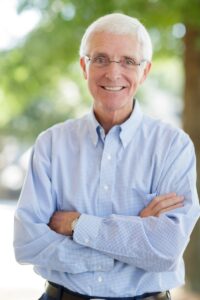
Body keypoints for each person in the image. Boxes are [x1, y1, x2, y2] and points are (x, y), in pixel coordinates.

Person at [14, 13, 200, 300]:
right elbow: (28, 243)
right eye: (100, 58)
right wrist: (132, 238)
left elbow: (165, 250)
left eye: (128, 61)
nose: (113, 73)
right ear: (83, 66)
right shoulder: (51, 144)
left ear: (145, 71)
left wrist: (77, 225)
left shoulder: (173, 147)